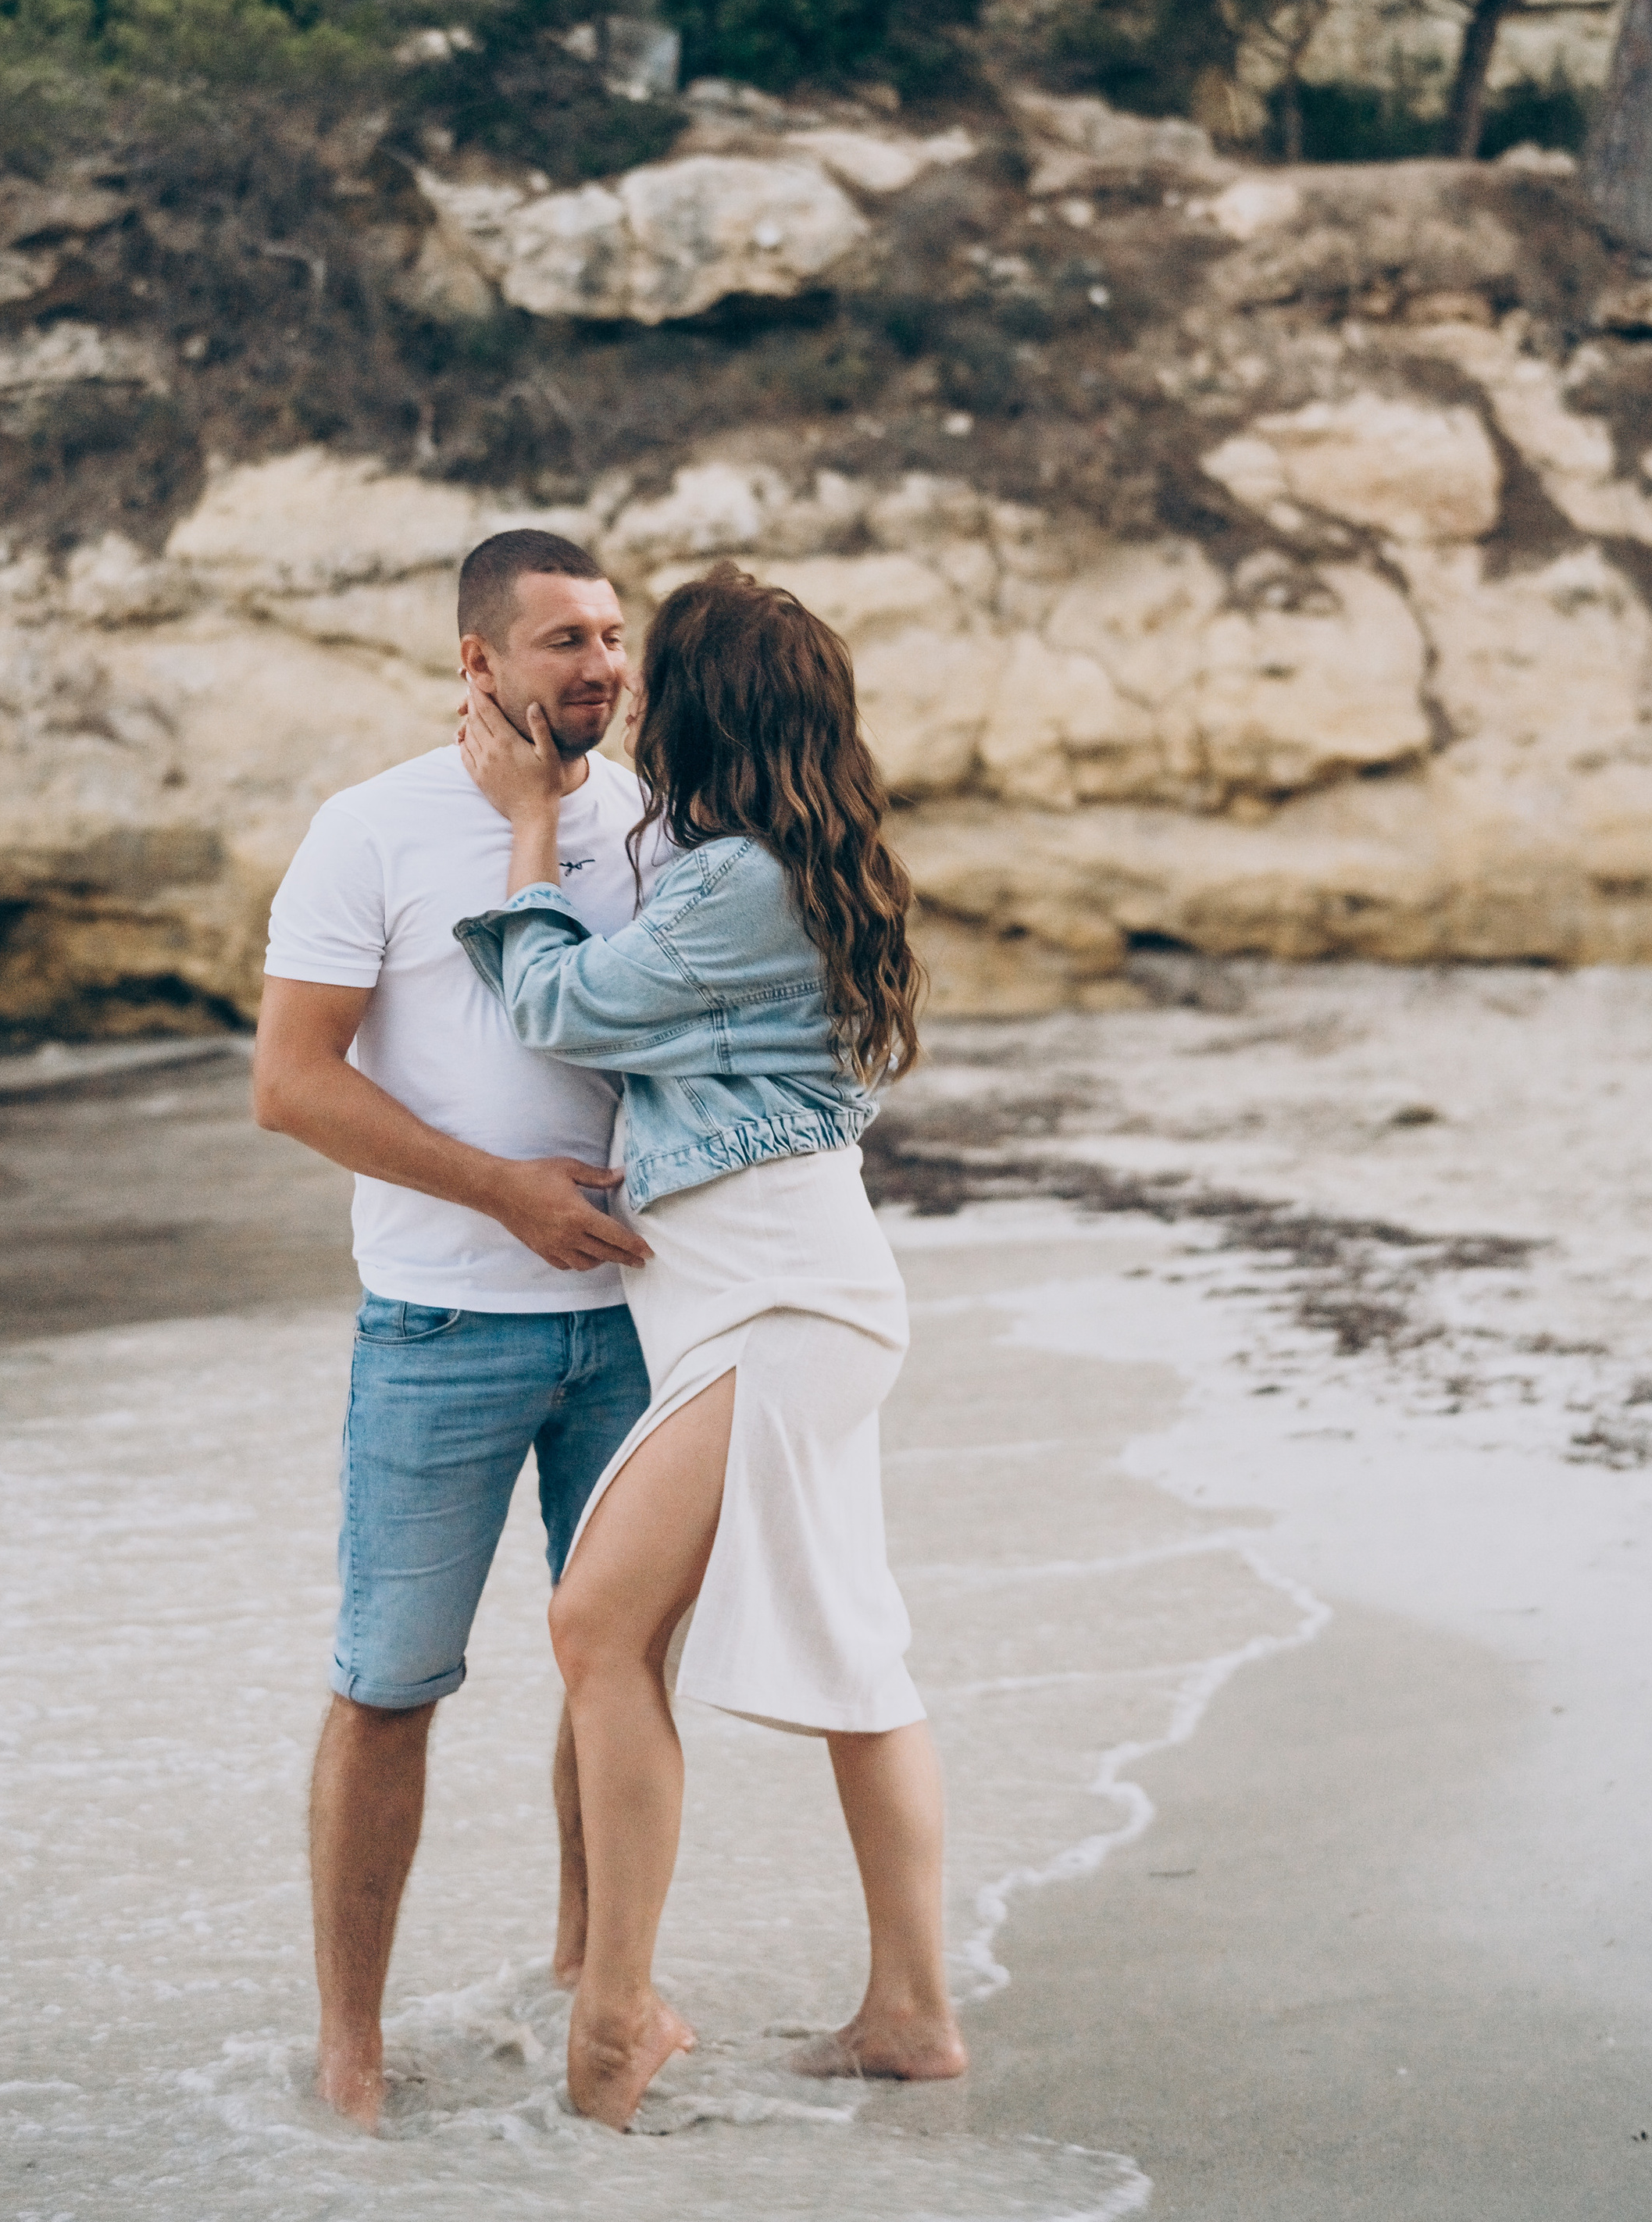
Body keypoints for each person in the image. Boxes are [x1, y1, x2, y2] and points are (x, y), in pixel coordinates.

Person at [455, 560, 968, 2131]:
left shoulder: (739, 880)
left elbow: (560, 1007)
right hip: (775, 1296)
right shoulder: (767, 861)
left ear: (704, 711)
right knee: (851, 1656)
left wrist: (527, 827)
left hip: (780, 1304)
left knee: (595, 1626)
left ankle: (615, 2014)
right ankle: (910, 2014)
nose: (627, 695)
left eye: (650, 674)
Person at [252, 528, 658, 2129]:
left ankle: (587, 1981)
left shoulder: (656, 821)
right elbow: (291, 1084)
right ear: (477, 663)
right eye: (565, 640)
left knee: (618, 1666)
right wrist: (502, 1193)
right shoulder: (371, 828)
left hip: (640, 1324)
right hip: (441, 1327)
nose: (602, 666)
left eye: (612, 635)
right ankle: (350, 2046)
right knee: (389, 1682)